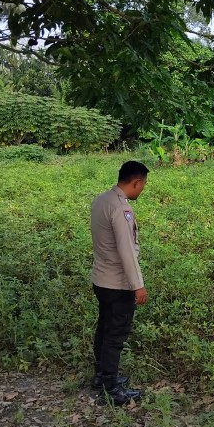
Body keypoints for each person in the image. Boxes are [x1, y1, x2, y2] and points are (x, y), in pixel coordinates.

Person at [89, 160, 149, 405]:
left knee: (104, 328)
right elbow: (127, 251)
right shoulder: (122, 209)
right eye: (143, 185)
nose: (142, 190)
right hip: (117, 283)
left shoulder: (101, 200)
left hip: (100, 279)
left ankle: (101, 376)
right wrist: (138, 285)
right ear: (135, 182)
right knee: (115, 333)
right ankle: (111, 388)